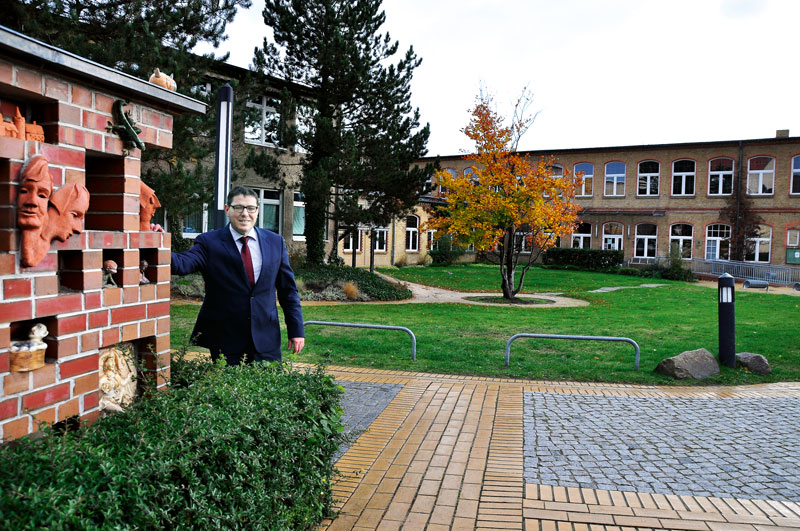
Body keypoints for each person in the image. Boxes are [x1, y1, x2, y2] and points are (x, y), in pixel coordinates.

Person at [171, 186, 304, 365]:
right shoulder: (209, 242)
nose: (245, 214)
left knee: (269, 388)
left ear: (257, 210)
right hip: (226, 339)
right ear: (227, 209)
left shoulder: (275, 242)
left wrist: (296, 330)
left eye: (250, 208)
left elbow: (288, 291)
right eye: (238, 207)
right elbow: (181, 263)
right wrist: (155, 243)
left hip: (266, 339)